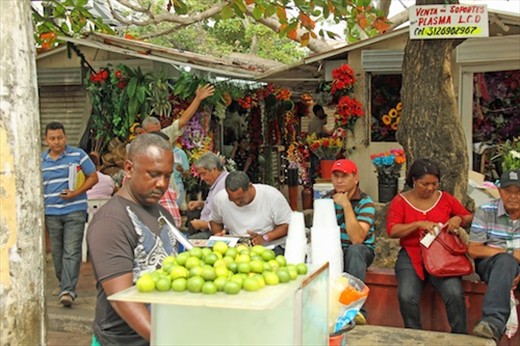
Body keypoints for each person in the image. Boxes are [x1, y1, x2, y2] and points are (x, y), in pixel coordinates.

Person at [87, 134, 179, 345]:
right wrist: (163, 340)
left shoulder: (163, 214)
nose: (162, 184)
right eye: (154, 174)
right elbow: (122, 298)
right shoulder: (111, 222)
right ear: (129, 169)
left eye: (167, 175)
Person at [386, 158, 473, 334]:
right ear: (413, 181)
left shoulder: (446, 198)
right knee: (407, 296)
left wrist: (458, 218)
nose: (430, 188)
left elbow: (468, 216)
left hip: (442, 256)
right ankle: (415, 336)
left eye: (434, 183)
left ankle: (461, 337)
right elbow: (392, 230)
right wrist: (418, 224)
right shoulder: (400, 201)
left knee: (454, 294)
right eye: (424, 184)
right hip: (411, 255)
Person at [41, 121, 99, 307]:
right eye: (52, 138)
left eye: (60, 137)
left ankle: (68, 290)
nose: (57, 142)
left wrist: (76, 193)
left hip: (75, 210)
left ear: (65, 137)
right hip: (51, 212)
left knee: (72, 251)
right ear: (46, 140)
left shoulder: (78, 155)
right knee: (57, 253)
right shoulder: (41, 161)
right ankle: (64, 282)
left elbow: (93, 177)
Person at [468, 169, 520, 343]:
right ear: (500, 192)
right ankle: (492, 322)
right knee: (506, 261)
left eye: (518, 192)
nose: (513, 196)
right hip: (491, 264)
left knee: (509, 264)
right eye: (508, 191)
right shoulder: (485, 211)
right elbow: (474, 249)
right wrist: (510, 253)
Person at [328, 159, 376, 324]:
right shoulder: (327, 200)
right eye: (336, 176)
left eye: (344, 176)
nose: (339, 181)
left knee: (355, 251)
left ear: (356, 178)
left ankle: (356, 309)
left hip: (361, 251)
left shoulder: (365, 202)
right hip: (335, 249)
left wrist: (347, 206)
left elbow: (357, 238)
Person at [210, 171, 292, 254]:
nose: (237, 203)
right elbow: (215, 221)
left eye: (240, 198)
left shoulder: (272, 196)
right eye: (232, 199)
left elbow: (287, 225)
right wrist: (218, 235)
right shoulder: (220, 199)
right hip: (236, 249)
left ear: (250, 186)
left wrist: (265, 238)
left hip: (270, 247)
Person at [141, 83, 214, 144]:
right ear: (143, 132)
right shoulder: (134, 146)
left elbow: (182, 121)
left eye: (158, 132)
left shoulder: (164, 135)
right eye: (153, 133)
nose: (156, 136)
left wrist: (198, 99)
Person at [186, 152, 229, 239]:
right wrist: (201, 203)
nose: (202, 178)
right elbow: (214, 204)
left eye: (203, 174)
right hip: (207, 226)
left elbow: (225, 221)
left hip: (214, 231)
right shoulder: (217, 182)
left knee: (190, 242)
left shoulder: (224, 184)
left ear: (214, 169)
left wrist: (203, 224)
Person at [173, 145, 189, 209]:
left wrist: (182, 170)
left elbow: (187, 173)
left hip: (176, 184)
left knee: (174, 208)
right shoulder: (158, 152)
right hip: (161, 184)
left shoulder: (179, 153)